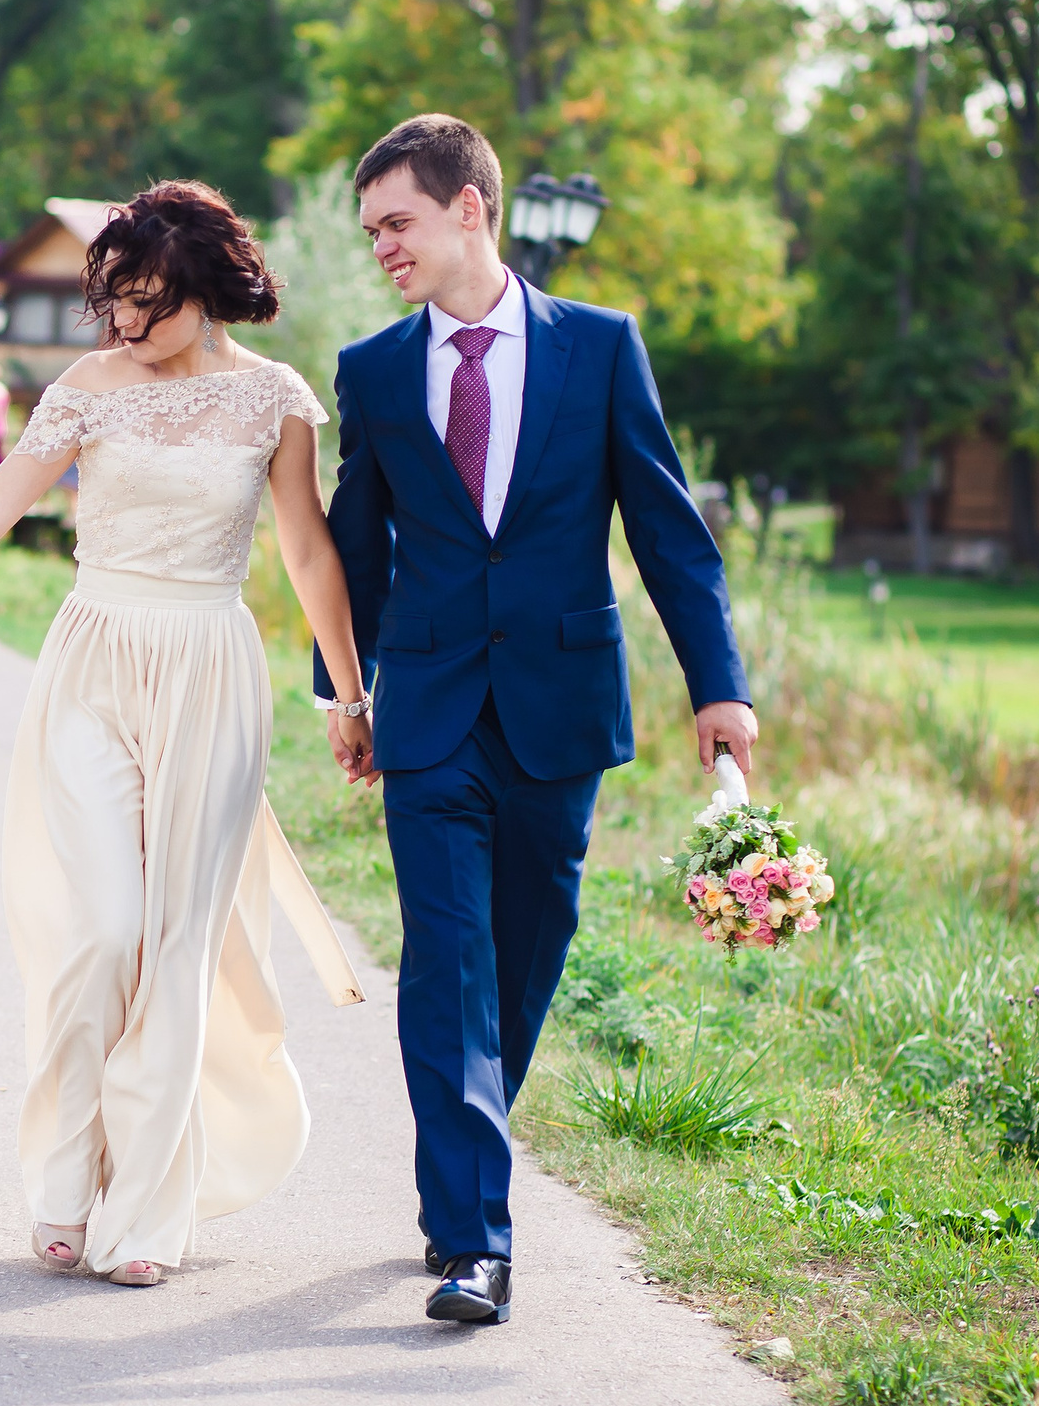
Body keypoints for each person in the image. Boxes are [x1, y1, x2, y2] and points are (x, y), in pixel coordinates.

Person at [0, 181, 369, 1288]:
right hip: (92, 665)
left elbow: (306, 550)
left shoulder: (273, 399)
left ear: (209, 292)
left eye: (150, 306)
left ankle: (144, 1210)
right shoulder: (86, 388)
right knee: (105, 926)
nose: (125, 327)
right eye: (113, 304)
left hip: (208, 667)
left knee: (176, 943)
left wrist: (349, 698)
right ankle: (64, 1171)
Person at [321, 115, 756, 1327]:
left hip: (561, 710)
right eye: (370, 232)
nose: (382, 249)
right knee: (446, 964)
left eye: (396, 222)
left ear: (471, 210)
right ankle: (476, 1242)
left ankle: (457, 1172)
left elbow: (669, 532)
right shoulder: (373, 369)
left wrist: (716, 684)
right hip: (430, 711)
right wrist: (343, 696)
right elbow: (351, 550)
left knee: (521, 963)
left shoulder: (601, 350)